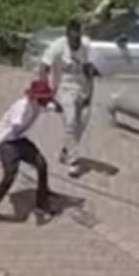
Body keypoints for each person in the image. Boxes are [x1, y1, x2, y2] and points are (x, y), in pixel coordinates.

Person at [0, 74, 58, 220]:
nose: (47, 101)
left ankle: (41, 202)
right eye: (45, 98)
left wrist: (56, 104)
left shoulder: (41, 103)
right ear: (36, 97)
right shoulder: (22, 106)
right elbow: (16, 122)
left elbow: (54, 106)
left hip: (19, 139)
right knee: (10, 175)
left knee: (41, 164)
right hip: (7, 141)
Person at [52, 23, 100, 171]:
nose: (76, 42)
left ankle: (66, 150)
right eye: (73, 39)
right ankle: (73, 161)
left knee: (82, 123)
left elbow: (89, 73)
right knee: (71, 121)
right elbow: (53, 71)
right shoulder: (58, 47)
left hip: (81, 88)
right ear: (67, 37)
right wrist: (54, 95)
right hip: (64, 88)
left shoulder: (86, 47)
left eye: (78, 38)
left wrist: (89, 96)